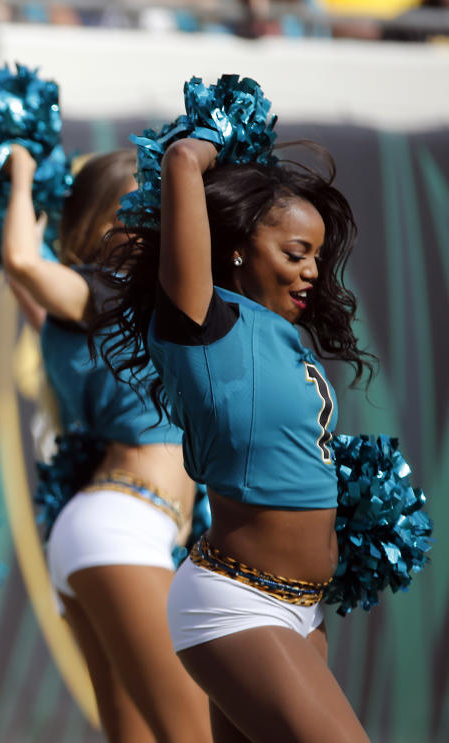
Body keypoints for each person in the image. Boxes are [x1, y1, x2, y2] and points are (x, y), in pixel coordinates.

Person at [95, 136, 373, 742]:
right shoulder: (204, 324)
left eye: (318, 258)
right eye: (297, 252)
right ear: (239, 249)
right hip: (237, 604)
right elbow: (179, 161)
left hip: (304, 609)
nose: (312, 272)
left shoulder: (280, 337)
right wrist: (213, 140)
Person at [1, 144, 210, 743]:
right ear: (103, 222)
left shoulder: (104, 314)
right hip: (123, 526)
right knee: (193, 732)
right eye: (139, 209)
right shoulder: (103, 292)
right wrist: (22, 170)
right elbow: (21, 260)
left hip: (113, 528)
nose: (154, 223)